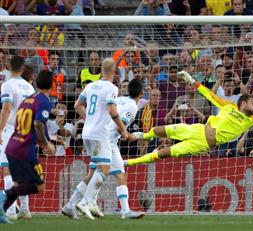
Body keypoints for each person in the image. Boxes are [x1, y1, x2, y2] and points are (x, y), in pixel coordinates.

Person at [124, 71, 253, 166]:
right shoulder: (227, 106)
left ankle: (129, 163)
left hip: (201, 144)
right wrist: (190, 80)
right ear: (243, 103)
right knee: (157, 131)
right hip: (197, 129)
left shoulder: (251, 120)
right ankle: (138, 136)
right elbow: (209, 95)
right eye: (252, 103)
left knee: (163, 154)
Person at [62, 79, 145, 220]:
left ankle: (70, 206)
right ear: (142, 93)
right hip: (107, 141)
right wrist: (128, 135)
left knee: (96, 174)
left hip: (97, 135)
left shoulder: (119, 99)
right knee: (117, 174)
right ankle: (87, 202)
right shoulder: (133, 106)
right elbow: (120, 126)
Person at [73, 58, 128, 220]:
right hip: (99, 133)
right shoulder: (111, 88)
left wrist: (89, 119)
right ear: (114, 71)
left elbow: (77, 105)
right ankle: (85, 202)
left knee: (99, 168)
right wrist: (123, 129)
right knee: (104, 169)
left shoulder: (90, 86)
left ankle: (85, 203)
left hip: (87, 132)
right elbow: (112, 109)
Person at [0, 71, 56, 224]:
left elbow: (31, 122)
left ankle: (3, 210)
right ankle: (3, 195)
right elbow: (38, 123)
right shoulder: (44, 101)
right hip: (25, 150)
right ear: (52, 85)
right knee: (39, 186)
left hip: (12, 145)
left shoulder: (28, 100)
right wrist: (46, 143)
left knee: (19, 183)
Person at [0, 56, 35, 221]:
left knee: (7, 169)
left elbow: (6, 108)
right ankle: (25, 210)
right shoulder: (30, 87)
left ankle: (11, 210)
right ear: (22, 69)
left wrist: (0, 131)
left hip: (11, 131)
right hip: (26, 133)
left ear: (8, 66)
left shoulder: (7, 85)